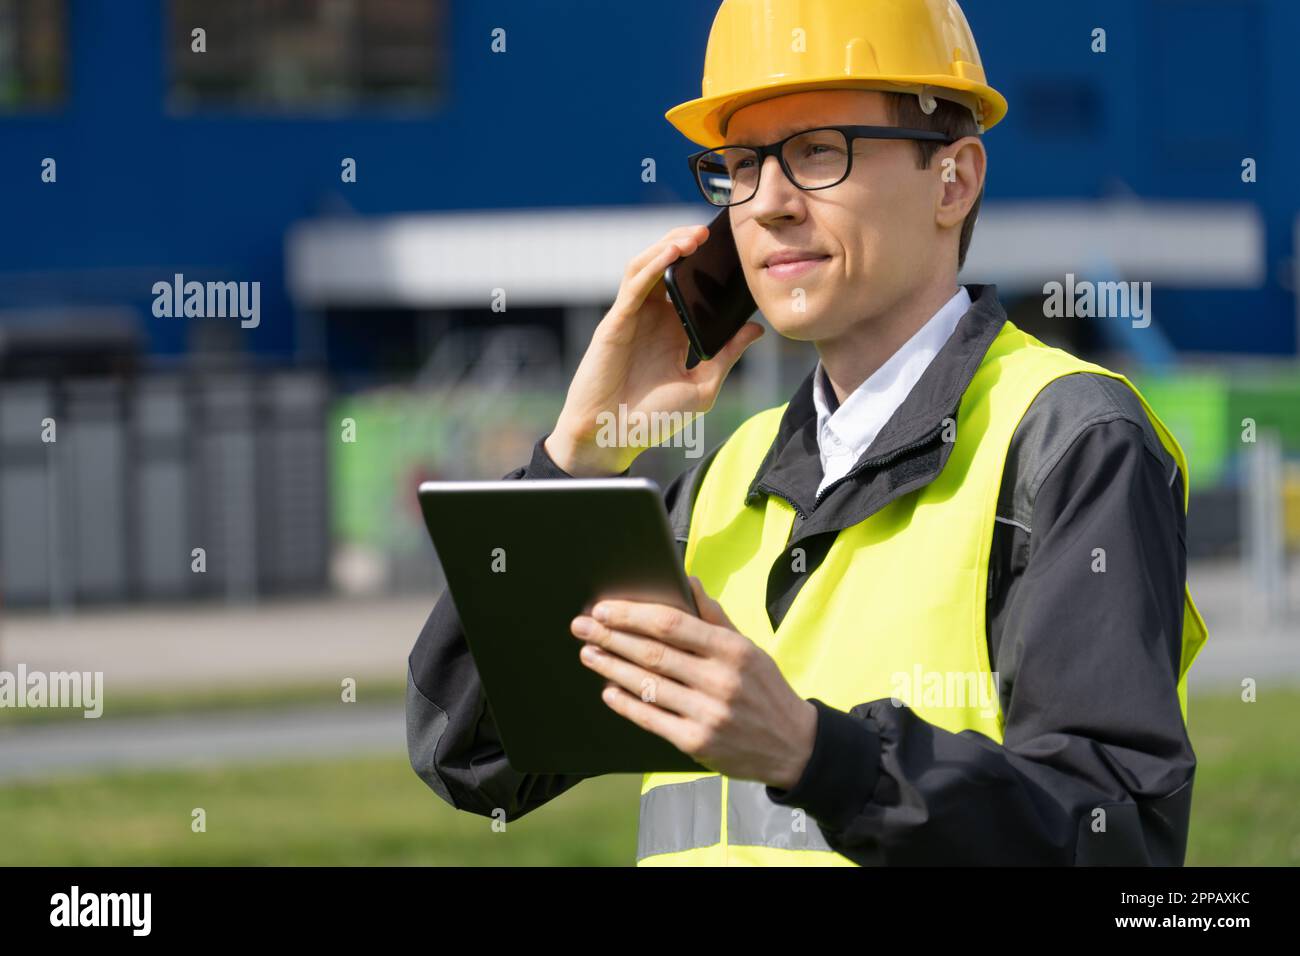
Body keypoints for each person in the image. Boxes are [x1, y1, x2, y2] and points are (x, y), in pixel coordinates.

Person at [407, 0, 1208, 866]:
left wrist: (815, 756)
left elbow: (1115, 842)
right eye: (740, 165)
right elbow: (471, 755)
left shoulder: (1067, 443)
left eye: (819, 152)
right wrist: (581, 452)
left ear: (955, 180)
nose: (768, 204)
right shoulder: (719, 485)